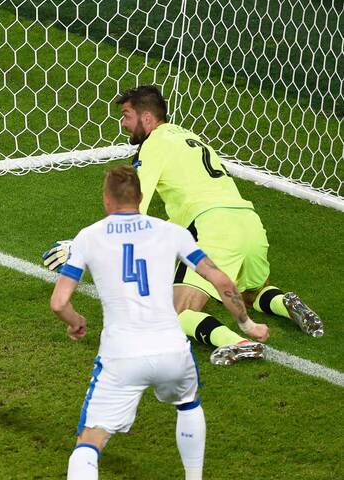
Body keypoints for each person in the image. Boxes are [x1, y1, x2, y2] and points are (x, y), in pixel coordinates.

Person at [51, 166, 269, 480]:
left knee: (89, 443)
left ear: (106, 200)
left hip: (122, 355)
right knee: (189, 403)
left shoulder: (88, 237)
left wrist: (76, 321)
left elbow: (59, 303)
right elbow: (221, 280)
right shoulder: (173, 233)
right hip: (172, 350)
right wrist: (248, 326)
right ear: (140, 198)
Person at [115, 84, 322, 364]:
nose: (123, 123)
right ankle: (285, 303)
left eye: (127, 115)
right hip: (248, 222)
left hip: (212, 227)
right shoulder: (191, 138)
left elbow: (134, 205)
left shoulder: (153, 145)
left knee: (177, 312)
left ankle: (237, 342)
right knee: (249, 293)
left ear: (147, 118)